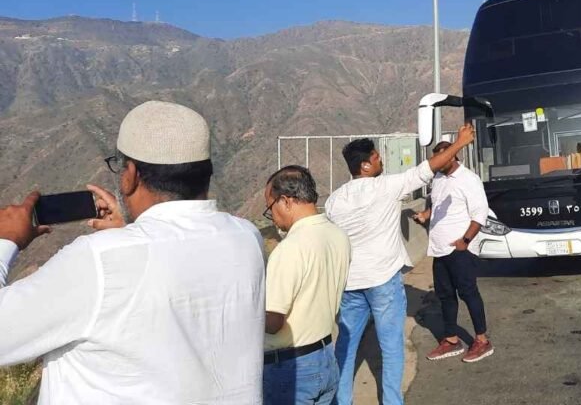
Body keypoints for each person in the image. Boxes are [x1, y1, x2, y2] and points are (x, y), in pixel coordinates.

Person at [0, 100, 265, 404]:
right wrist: (126, 235)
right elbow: (174, 264)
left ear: (131, 175)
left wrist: (7, 240)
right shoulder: (246, 237)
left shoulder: (98, 260)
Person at [326, 124, 476, 405]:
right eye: (376, 157)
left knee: (345, 347)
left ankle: (341, 401)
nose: (381, 160)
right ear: (366, 165)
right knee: (391, 346)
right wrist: (459, 144)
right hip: (383, 281)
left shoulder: (335, 200)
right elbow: (427, 169)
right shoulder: (386, 187)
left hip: (350, 285)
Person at [263, 166, 352, 405]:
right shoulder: (338, 236)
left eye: (270, 208)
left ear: (286, 201)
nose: (272, 217)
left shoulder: (290, 249)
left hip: (290, 369)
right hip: (325, 357)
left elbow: (272, 323)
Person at [412, 141, 494, 364]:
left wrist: (465, 241)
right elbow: (437, 204)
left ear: (453, 156)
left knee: (468, 293)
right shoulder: (438, 178)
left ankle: (482, 340)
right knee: (445, 295)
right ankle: (450, 340)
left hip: (460, 249)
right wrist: (425, 215)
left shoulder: (469, 179)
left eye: (442, 158)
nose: (438, 164)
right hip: (439, 250)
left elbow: (480, 214)